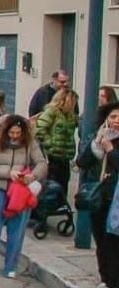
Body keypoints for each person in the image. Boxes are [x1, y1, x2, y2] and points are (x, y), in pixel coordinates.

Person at [0, 114, 48, 278]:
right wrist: (10, 173)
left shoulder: (30, 144)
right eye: (11, 133)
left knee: (17, 231)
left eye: (18, 133)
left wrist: (33, 176)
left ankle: (11, 267)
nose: (15, 136)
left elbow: (41, 163)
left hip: (20, 191)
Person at [75, 102, 119, 288]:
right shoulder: (99, 137)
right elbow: (82, 162)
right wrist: (97, 145)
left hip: (116, 200)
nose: (117, 121)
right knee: (102, 242)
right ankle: (106, 279)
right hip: (99, 197)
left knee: (114, 243)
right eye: (113, 117)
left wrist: (111, 149)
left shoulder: (111, 145)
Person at [35, 87, 79, 190]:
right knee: (54, 183)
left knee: (64, 182)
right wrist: (50, 145)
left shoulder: (71, 115)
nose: (74, 105)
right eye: (73, 102)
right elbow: (40, 129)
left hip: (65, 155)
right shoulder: (51, 112)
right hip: (53, 155)